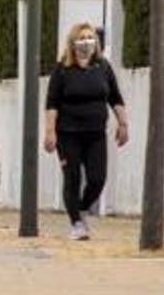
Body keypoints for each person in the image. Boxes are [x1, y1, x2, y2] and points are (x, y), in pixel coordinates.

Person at [44, 22, 130, 240]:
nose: (86, 42)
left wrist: (123, 124)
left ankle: (81, 209)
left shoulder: (103, 67)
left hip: (95, 134)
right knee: (71, 177)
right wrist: (50, 132)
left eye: (90, 37)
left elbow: (115, 98)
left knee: (97, 179)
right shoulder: (62, 70)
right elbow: (52, 103)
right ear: (72, 43)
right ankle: (76, 224)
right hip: (68, 133)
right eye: (81, 38)